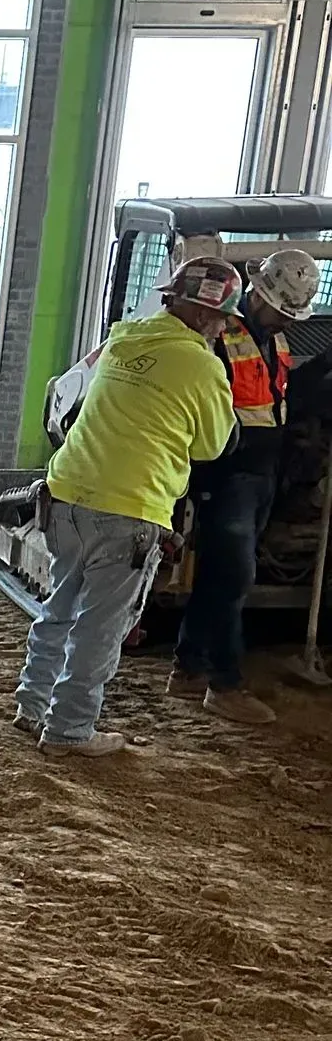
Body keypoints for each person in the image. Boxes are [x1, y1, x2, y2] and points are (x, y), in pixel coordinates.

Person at [15, 256, 241, 755]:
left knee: (60, 607)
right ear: (207, 317)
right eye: (225, 318)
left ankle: (31, 705)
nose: (225, 327)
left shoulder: (124, 339)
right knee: (101, 625)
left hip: (68, 492)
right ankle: (70, 730)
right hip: (129, 507)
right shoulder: (203, 366)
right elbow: (211, 446)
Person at [170, 243, 322, 722]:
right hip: (227, 473)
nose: (289, 321)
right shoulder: (220, 333)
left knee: (222, 576)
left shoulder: (275, 340)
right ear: (259, 294)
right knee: (233, 577)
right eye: (283, 311)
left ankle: (189, 666)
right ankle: (225, 682)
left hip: (261, 473)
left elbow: (280, 397)